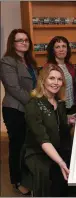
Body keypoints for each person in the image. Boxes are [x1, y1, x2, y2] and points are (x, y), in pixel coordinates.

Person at [23, 64, 72, 196]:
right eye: (52, 78)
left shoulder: (60, 103)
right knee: (51, 174)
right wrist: (61, 162)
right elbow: (42, 139)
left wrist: (71, 121)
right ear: (43, 80)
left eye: (59, 79)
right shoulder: (33, 104)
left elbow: (62, 132)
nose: (56, 83)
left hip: (57, 149)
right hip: (38, 153)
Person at [0, 29, 38, 196]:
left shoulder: (29, 62)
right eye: (20, 40)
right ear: (12, 43)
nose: (24, 42)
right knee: (17, 146)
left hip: (28, 108)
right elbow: (13, 88)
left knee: (27, 145)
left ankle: (27, 178)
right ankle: (17, 181)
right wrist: (33, 103)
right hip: (14, 109)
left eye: (26, 40)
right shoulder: (7, 61)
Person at [45, 36, 76, 114]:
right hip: (57, 107)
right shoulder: (48, 67)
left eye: (64, 46)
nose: (61, 49)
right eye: (57, 47)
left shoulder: (71, 66)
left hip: (71, 106)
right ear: (53, 50)